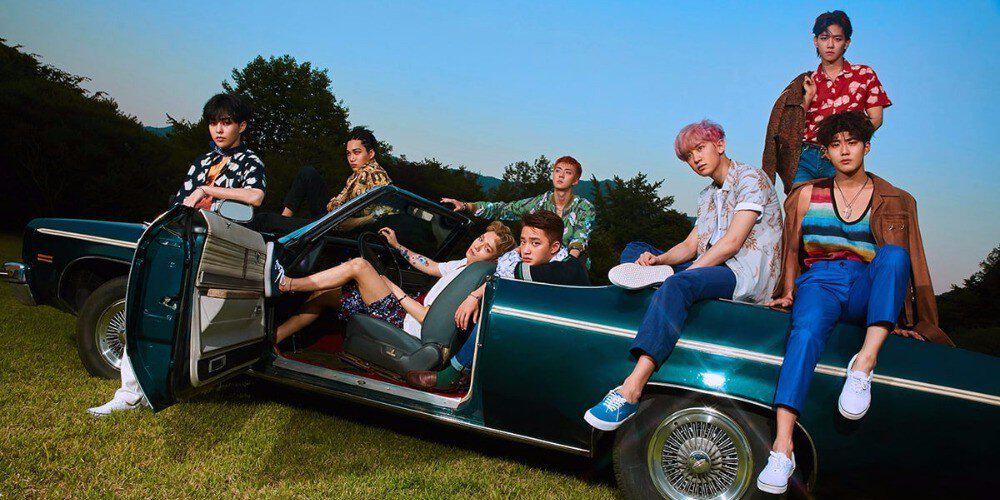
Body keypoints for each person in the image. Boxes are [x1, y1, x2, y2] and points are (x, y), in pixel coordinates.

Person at [755, 111, 951, 494]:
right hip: (820, 281)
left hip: (865, 283)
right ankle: (782, 447)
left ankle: (864, 364)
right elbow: (790, 250)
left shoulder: (895, 199)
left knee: (894, 255)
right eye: (835, 145)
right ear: (826, 153)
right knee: (804, 334)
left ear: (866, 147)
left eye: (852, 143)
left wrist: (913, 320)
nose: (844, 151)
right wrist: (787, 290)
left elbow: (913, 264)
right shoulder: (806, 194)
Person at [583, 120, 782, 431]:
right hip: (709, 267)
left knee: (679, 283)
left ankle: (631, 389)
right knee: (636, 250)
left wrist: (683, 275)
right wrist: (659, 259)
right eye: (688, 156)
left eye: (700, 149)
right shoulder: (707, 195)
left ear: (720, 145)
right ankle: (663, 287)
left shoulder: (751, 178)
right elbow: (691, 245)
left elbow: (731, 243)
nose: (695, 159)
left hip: (741, 273)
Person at [88, 93, 266, 416]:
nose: (219, 129)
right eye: (213, 123)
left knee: (194, 322)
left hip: (213, 250)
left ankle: (170, 384)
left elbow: (255, 197)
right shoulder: (201, 162)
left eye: (226, 122)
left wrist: (207, 190)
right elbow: (180, 203)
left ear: (242, 126)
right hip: (179, 246)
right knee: (148, 308)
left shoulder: (250, 161)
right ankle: (129, 392)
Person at [405, 210, 591, 391]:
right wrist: (474, 296)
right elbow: (502, 278)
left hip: (571, 346)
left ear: (554, 247)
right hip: (553, 337)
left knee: (497, 312)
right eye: (523, 242)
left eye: (535, 243)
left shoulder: (566, 269)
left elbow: (509, 271)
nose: (526, 250)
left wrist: (478, 295)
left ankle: (455, 373)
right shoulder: (552, 261)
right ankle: (462, 369)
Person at [270, 221, 516, 344]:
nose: (477, 246)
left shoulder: (472, 282)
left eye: (486, 248)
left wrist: (395, 290)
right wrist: (398, 246)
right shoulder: (462, 265)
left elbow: (427, 318)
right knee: (325, 294)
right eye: (480, 238)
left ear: (494, 259)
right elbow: (430, 265)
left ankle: (285, 284)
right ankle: (273, 339)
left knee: (359, 266)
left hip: (405, 323)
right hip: (404, 312)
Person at [762, 10, 892, 193]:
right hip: (804, 157)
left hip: (840, 157)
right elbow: (791, 126)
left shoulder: (864, 75)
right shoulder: (806, 81)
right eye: (824, 38)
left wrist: (844, 144)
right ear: (816, 41)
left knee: (839, 207)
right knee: (798, 204)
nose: (830, 45)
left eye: (837, 39)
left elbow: (876, 119)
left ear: (847, 43)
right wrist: (806, 100)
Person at [441, 156, 595, 262]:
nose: (561, 176)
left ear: (575, 180)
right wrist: (467, 206)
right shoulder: (540, 203)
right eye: (558, 170)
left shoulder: (584, 207)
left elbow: (580, 238)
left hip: (571, 265)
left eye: (567, 173)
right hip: (536, 263)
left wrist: (569, 264)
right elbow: (505, 209)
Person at [281, 127, 391, 218]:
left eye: (357, 152)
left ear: (371, 154)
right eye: (348, 153)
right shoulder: (357, 173)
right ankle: (284, 219)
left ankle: (283, 223)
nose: (351, 158)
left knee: (270, 220)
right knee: (308, 173)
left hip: (338, 225)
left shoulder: (375, 173)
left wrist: (348, 224)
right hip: (332, 215)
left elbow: (385, 210)